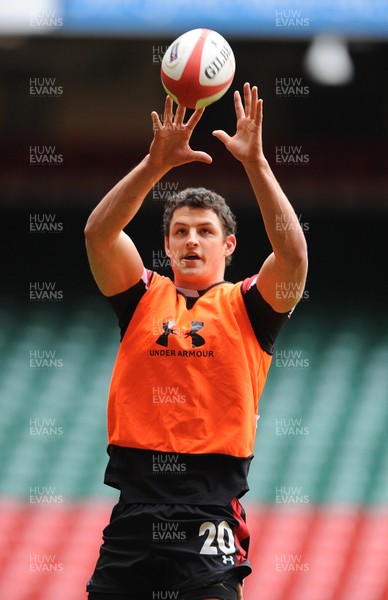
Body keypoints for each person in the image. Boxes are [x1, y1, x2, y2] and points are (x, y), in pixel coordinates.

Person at [84, 83, 308, 600]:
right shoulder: (142, 296)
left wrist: (256, 164)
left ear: (228, 245)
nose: (190, 240)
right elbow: (98, 235)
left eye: (205, 231)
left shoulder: (248, 307)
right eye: (180, 231)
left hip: (210, 511)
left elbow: (294, 258)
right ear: (164, 246)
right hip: (134, 512)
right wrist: (154, 164)